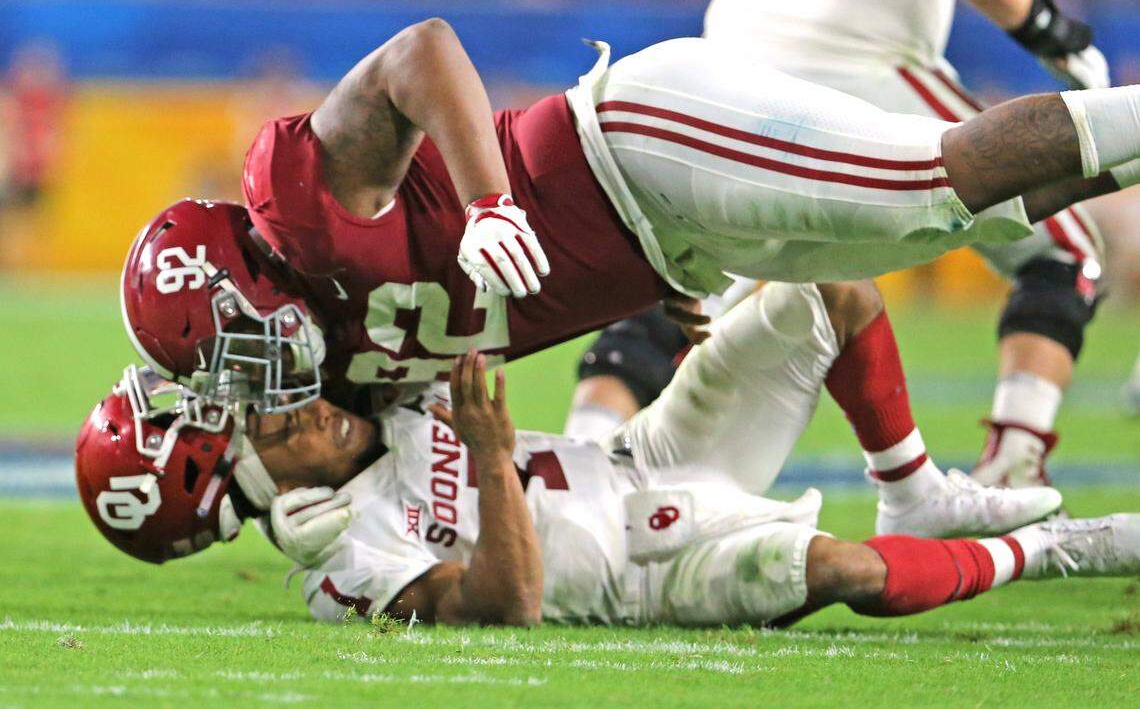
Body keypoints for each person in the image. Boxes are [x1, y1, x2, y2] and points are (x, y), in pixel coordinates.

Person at [124, 19, 1140, 423]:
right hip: (667, 234)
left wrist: (486, 205)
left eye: (238, 340)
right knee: (950, 223)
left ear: (245, 273)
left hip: (637, 144)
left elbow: (420, 53)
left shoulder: (304, 202)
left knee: (930, 176)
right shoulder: (336, 372)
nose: (255, 370)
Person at [85, 284, 1138, 628]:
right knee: (840, 570)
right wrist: (493, 459)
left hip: (646, 450)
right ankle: (1060, 550)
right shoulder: (343, 564)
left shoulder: (340, 396)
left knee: (833, 287)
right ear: (208, 480)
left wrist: (641, 279)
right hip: (651, 567)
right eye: (239, 423)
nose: (266, 402)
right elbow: (509, 605)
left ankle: (912, 491)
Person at [703, 0, 1115, 488]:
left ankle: (595, 450)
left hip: (731, 54)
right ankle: (1014, 464)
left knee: (689, 277)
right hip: (864, 54)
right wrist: (1047, 27)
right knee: (1063, 252)